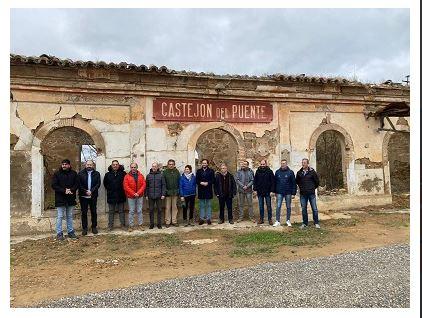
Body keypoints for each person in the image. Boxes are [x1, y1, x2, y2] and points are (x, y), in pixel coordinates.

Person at [51, 159, 79, 240]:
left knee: (69, 216)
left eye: (65, 164)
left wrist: (71, 190)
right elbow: (54, 185)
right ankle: (59, 233)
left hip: (70, 198)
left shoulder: (74, 173)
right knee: (60, 216)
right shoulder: (57, 174)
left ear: (69, 165)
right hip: (60, 198)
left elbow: (76, 184)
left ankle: (70, 232)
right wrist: (64, 190)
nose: (64, 165)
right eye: (63, 164)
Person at [78, 159, 101, 235]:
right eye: (88, 164)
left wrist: (91, 191)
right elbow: (79, 184)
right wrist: (85, 191)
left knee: (93, 212)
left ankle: (94, 227)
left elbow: (98, 184)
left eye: (90, 165)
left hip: (93, 196)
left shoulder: (97, 174)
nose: (89, 166)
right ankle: (84, 228)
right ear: (85, 165)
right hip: (83, 196)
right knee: (84, 212)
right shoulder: (80, 174)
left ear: (93, 165)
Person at [296, 158, 321, 229]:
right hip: (303, 194)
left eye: (304, 163)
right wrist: (301, 188)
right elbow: (297, 181)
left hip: (311, 193)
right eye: (302, 162)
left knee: (314, 208)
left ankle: (316, 223)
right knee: (304, 209)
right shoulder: (299, 173)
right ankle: (305, 223)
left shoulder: (312, 172)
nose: (303, 164)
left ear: (307, 164)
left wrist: (312, 188)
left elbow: (317, 182)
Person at [103, 160, 127, 231]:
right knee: (111, 211)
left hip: (121, 195)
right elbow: (105, 184)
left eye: (116, 164)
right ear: (111, 165)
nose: (115, 166)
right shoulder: (107, 174)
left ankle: (123, 225)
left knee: (121, 211)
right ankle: (110, 226)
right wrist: (110, 189)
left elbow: (126, 183)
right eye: (114, 164)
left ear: (119, 165)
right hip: (111, 195)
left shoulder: (123, 173)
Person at [123, 162, 146, 232]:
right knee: (131, 211)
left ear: (137, 167)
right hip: (131, 196)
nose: (133, 168)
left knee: (139, 211)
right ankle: (131, 226)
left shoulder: (141, 176)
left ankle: (140, 225)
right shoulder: (126, 176)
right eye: (132, 167)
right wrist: (133, 193)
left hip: (140, 196)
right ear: (130, 168)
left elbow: (144, 185)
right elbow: (126, 186)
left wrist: (138, 193)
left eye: (134, 167)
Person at [274, 159, 297, 227]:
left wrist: (293, 193)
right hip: (279, 192)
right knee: (278, 206)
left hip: (288, 192)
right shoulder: (277, 172)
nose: (283, 164)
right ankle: (277, 221)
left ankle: (288, 220)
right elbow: (275, 183)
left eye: (284, 163)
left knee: (288, 206)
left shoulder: (290, 172)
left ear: (286, 164)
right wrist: (275, 191)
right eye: (282, 163)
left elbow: (294, 183)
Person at [253, 159, 275, 225]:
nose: (262, 165)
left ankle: (270, 219)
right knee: (261, 206)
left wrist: (272, 191)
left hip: (268, 192)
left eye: (263, 164)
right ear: (260, 164)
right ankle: (261, 219)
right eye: (261, 164)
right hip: (260, 192)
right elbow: (255, 181)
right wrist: (255, 190)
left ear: (266, 164)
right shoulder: (257, 171)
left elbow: (273, 182)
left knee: (268, 206)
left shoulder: (270, 171)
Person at [145, 162, 166, 229]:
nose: (154, 167)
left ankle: (159, 224)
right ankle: (151, 224)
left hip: (159, 196)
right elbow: (147, 186)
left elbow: (163, 185)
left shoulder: (161, 175)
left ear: (157, 167)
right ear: (152, 167)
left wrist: (163, 194)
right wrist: (146, 195)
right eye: (153, 166)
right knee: (151, 210)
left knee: (159, 210)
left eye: (155, 166)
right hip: (150, 196)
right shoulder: (148, 176)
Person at [196, 159, 215, 225]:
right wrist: (200, 182)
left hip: (208, 190)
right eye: (203, 163)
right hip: (201, 190)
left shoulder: (211, 171)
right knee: (202, 205)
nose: (204, 164)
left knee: (208, 205)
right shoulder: (198, 171)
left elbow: (213, 180)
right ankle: (201, 219)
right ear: (202, 164)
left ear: (207, 164)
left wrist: (208, 183)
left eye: (205, 163)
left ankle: (208, 219)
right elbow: (197, 180)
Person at [162, 159, 181, 227]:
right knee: (167, 208)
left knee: (175, 207)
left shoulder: (177, 172)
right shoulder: (165, 172)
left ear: (174, 165)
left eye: (172, 164)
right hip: (167, 193)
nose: (171, 165)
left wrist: (178, 191)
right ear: (167, 165)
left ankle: (174, 221)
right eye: (170, 164)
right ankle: (167, 222)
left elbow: (179, 181)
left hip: (175, 193)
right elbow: (163, 183)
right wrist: (165, 191)